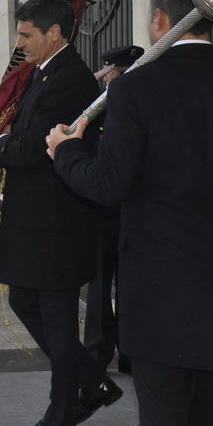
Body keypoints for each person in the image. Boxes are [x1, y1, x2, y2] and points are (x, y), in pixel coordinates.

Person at [46, 0, 213, 426]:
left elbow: (107, 184)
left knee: (166, 425)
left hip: (163, 295)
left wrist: (66, 152)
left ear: (160, 19)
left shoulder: (135, 89)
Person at [0, 0, 121, 426]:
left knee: (57, 320)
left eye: (26, 35)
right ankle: (93, 382)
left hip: (56, 225)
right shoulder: (46, 72)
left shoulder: (67, 80)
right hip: (38, 221)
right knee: (25, 302)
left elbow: (32, 148)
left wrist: (0, 145)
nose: (20, 43)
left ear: (53, 33)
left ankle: (61, 420)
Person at [83, 45, 143, 376]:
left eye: (119, 74)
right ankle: (97, 353)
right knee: (100, 285)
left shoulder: (140, 104)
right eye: (114, 74)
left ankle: (131, 351)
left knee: (132, 284)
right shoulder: (95, 109)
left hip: (135, 210)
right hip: (102, 211)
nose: (114, 80)